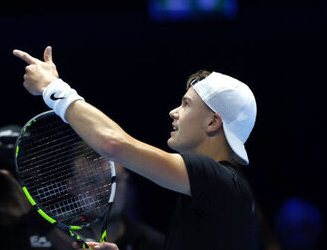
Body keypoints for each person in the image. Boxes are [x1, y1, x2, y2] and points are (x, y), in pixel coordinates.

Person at [13, 46, 259, 250]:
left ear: (213, 121)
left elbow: (113, 144)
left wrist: (52, 88)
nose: (173, 112)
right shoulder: (218, 191)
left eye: (186, 104)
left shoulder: (217, 179)